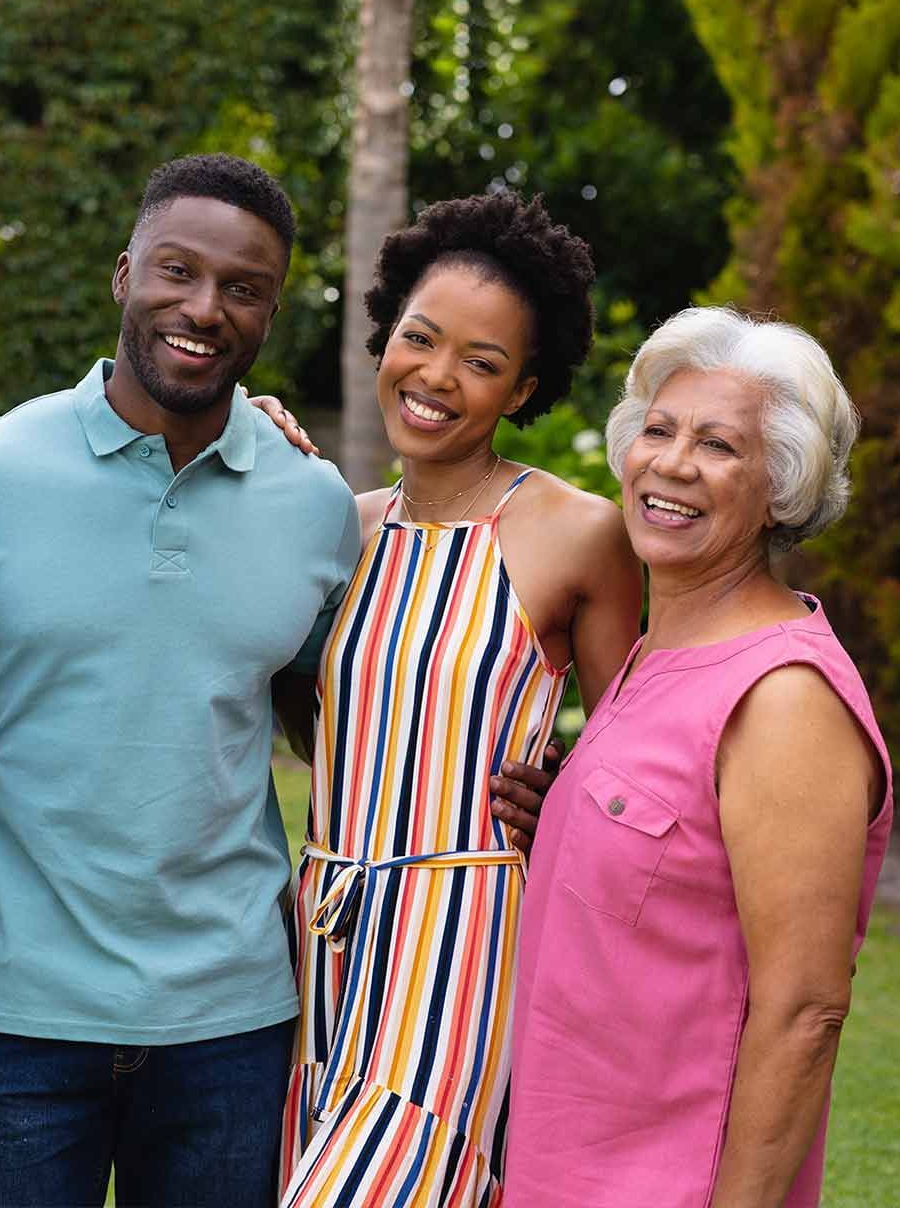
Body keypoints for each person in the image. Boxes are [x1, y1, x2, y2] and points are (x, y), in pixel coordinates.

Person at [0, 154, 363, 1208]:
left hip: (233, 1014)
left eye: (243, 287)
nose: (203, 308)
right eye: (177, 270)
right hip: (20, 1008)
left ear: (270, 310)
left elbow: (340, 713)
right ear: (125, 274)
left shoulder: (315, 505)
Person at [272, 191, 644, 1205]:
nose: (436, 377)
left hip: (467, 933)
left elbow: (639, 746)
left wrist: (560, 790)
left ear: (524, 387)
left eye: (481, 363)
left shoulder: (577, 532)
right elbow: (294, 707)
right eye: (420, 339)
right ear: (385, 336)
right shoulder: (330, 526)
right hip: (321, 933)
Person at [506, 307, 894, 1207]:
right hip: (561, 1169)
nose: (671, 464)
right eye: (659, 430)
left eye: (719, 446)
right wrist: (566, 826)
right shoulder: (657, 653)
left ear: (781, 489)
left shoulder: (785, 698)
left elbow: (805, 1013)